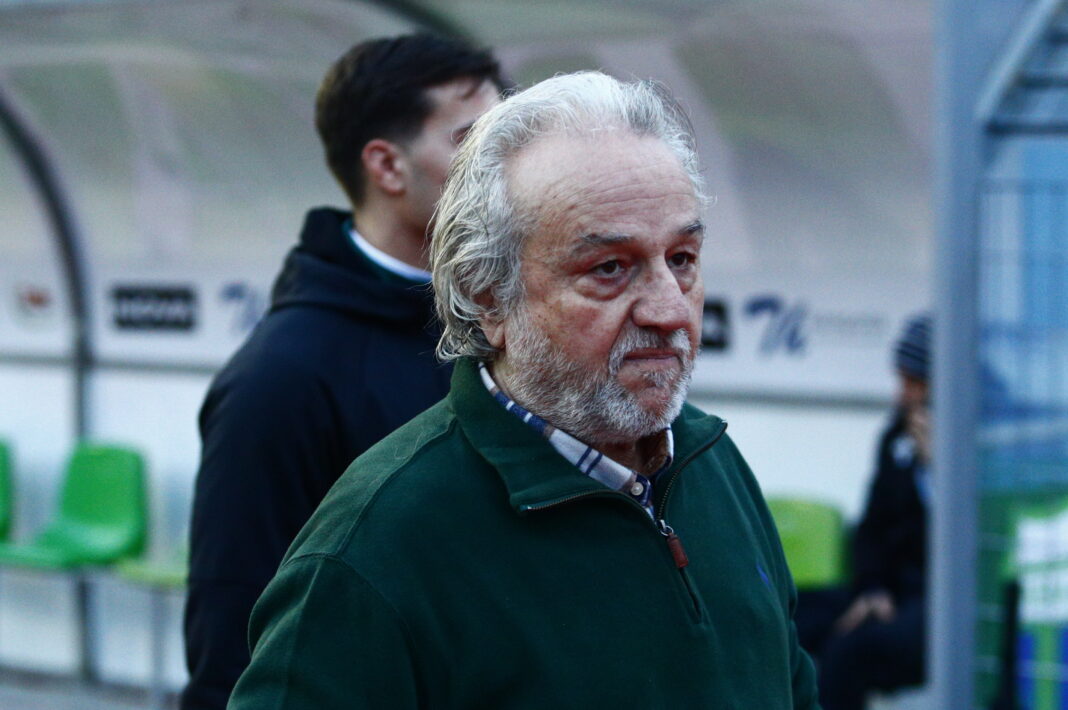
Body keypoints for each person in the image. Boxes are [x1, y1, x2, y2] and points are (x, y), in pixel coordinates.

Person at [228, 71, 819, 709]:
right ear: (487, 296)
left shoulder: (713, 461)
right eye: (610, 268)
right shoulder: (376, 550)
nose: (670, 309)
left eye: (682, 259)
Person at [181, 34, 504, 710]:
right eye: (471, 140)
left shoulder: (511, 324)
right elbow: (232, 632)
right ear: (387, 166)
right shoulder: (280, 378)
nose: (504, 163)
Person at [817, 313, 932, 710]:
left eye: (914, 383)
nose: (902, 395)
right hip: (890, 590)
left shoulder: (986, 440)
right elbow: (871, 527)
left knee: (848, 653)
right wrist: (872, 588)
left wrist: (938, 469)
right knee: (787, 617)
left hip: (943, 603)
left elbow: (967, 551)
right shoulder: (897, 435)